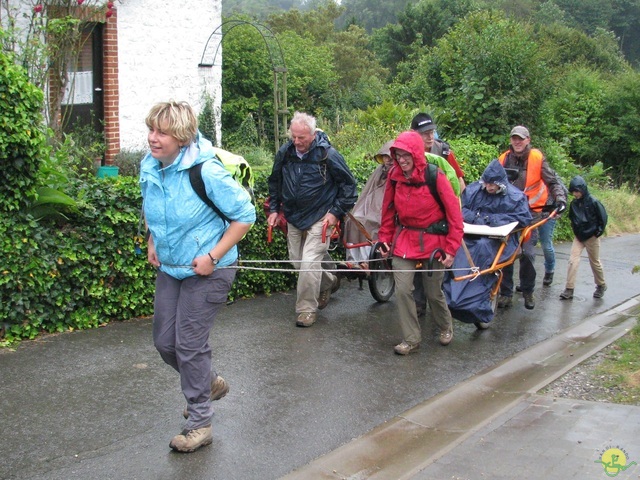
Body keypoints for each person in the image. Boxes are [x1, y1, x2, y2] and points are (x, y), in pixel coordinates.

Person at [140, 101, 256, 452]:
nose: (152, 138)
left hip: (209, 269)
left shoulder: (205, 171)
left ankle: (200, 422)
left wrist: (212, 256)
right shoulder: (150, 166)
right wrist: (152, 241)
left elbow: (245, 215)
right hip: (172, 267)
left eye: (161, 132)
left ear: (181, 136)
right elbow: (155, 209)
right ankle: (208, 383)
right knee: (165, 343)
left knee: (189, 345)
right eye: (151, 130)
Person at [267, 112, 357, 328]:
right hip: (293, 215)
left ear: (313, 134)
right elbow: (275, 181)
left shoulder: (328, 155)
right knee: (297, 261)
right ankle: (329, 280)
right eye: (294, 137)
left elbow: (349, 187)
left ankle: (306, 310)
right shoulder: (285, 153)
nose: (297, 142)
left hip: (321, 217)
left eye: (302, 138)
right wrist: (273, 209)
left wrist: (335, 213)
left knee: (308, 264)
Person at [377, 130, 464, 355]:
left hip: (434, 240)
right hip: (405, 239)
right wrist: (385, 239)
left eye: (406, 154)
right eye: (398, 154)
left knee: (433, 291)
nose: (402, 159)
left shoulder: (435, 176)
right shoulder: (394, 177)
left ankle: (445, 326)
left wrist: (451, 249)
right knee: (403, 289)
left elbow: (455, 216)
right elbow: (388, 211)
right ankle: (411, 339)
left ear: (416, 154)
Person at [445, 159, 532, 326]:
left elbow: (522, 219)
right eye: (487, 183)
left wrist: (488, 220)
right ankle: (452, 293)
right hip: (471, 234)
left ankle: (473, 299)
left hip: (500, 240)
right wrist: (479, 220)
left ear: (501, 183)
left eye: (494, 184)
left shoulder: (515, 197)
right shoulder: (474, 191)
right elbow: (461, 209)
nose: (490, 187)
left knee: (481, 248)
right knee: (456, 247)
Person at [497, 125, 567, 310]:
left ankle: (527, 291)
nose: (517, 142)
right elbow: (491, 181)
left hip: (531, 215)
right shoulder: (503, 159)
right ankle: (505, 293)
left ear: (528, 140)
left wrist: (560, 199)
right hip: (508, 215)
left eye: (521, 138)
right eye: (514, 138)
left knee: (527, 254)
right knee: (506, 255)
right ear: (511, 140)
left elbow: (552, 181)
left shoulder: (537, 159)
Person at [410, 113, 464, 316]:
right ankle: (419, 303)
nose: (429, 137)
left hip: (441, 217)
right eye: (424, 133)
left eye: (431, 132)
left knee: (440, 262)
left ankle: (442, 304)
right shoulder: (407, 154)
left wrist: (454, 212)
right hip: (417, 217)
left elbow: (459, 182)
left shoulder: (444, 151)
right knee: (417, 261)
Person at [342, 140, 394, 268]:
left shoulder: (398, 173)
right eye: (385, 157)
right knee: (353, 221)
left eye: (389, 157)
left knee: (368, 222)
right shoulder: (379, 171)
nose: (387, 160)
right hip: (370, 207)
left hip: (383, 210)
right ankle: (352, 261)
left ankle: (367, 262)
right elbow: (367, 192)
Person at [560, 175, 608, 300]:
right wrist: (576, 231)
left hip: (592, 236)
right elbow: (572, 218)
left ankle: (601, 285)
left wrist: (597, 232)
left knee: (594, 262)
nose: (575, 194)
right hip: (579, 236)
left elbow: (602, 218)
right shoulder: (574, 204)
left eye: (577, 191)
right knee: (572, 260)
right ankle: (569, 289)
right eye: (573, 191)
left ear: (582, 189)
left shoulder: (593, 201)